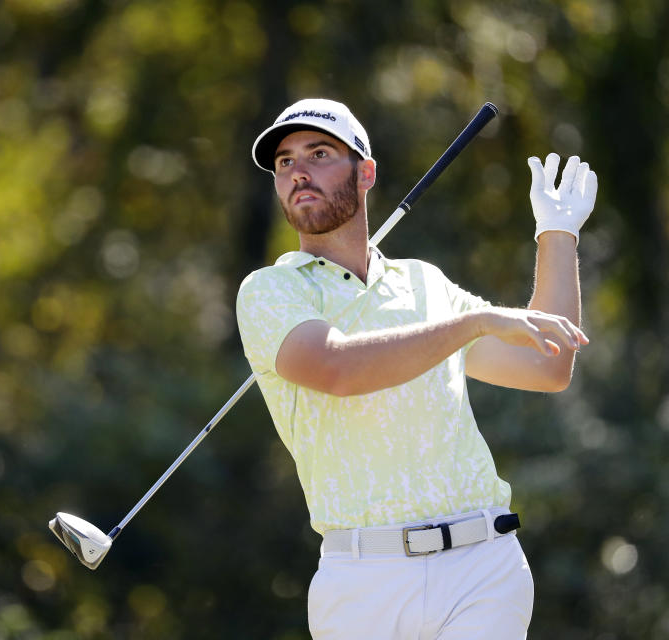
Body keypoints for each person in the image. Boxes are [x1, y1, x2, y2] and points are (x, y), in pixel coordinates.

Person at [236, 98, 597, 640]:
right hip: (361, 584)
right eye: (285, 162)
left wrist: (557, 233)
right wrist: (473, 322)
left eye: (319, 153)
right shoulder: (270, 290)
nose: (299, 172)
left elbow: (546, 367)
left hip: (482, 567)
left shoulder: (424, 283)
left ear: (366, 173)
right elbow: (335, 368)